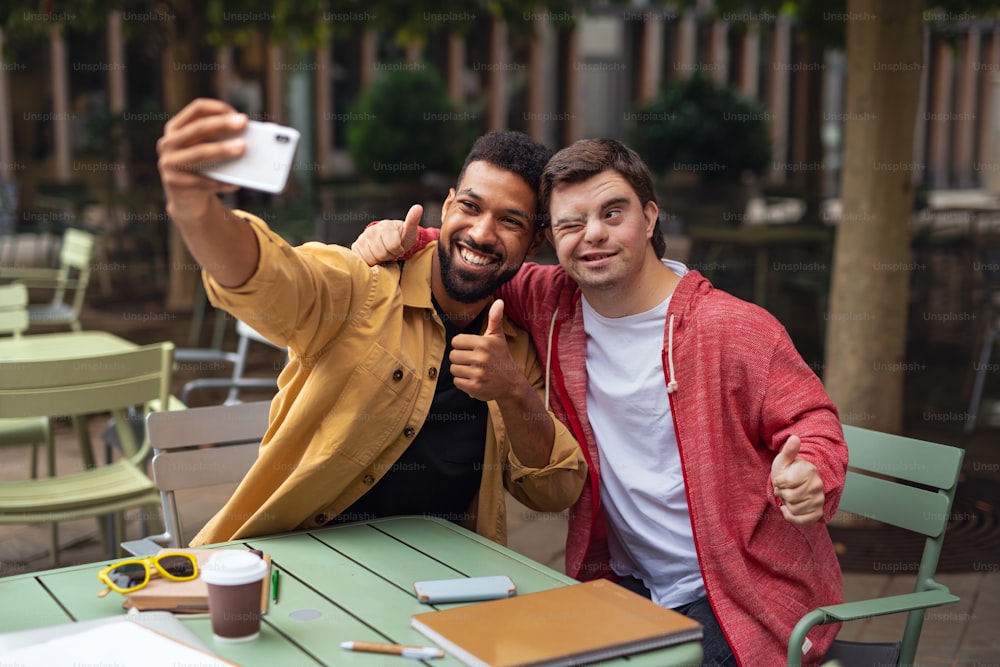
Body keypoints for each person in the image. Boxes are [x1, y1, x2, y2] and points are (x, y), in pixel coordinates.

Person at [353, 139, 848, 666]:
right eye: (571, 223)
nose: (592, 234)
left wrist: (814, 475)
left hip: (741, 597)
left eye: (613, 212)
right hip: (624, 585)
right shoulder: (555, 303)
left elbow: (813, 423)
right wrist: (397, 236)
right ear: (552, 241)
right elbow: (479, 251)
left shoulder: (733, 328)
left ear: (650, 216)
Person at [155, 98, 587, 548]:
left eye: (510, 221)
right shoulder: (362, 285)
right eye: (471, 208)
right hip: (304, 559)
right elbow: (270, 280)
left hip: (444, 579)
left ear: (536, 241)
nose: (480, 233)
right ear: (448, 205)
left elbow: (554, 489)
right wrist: (195, 209)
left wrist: (513, 391)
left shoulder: (513, 350)